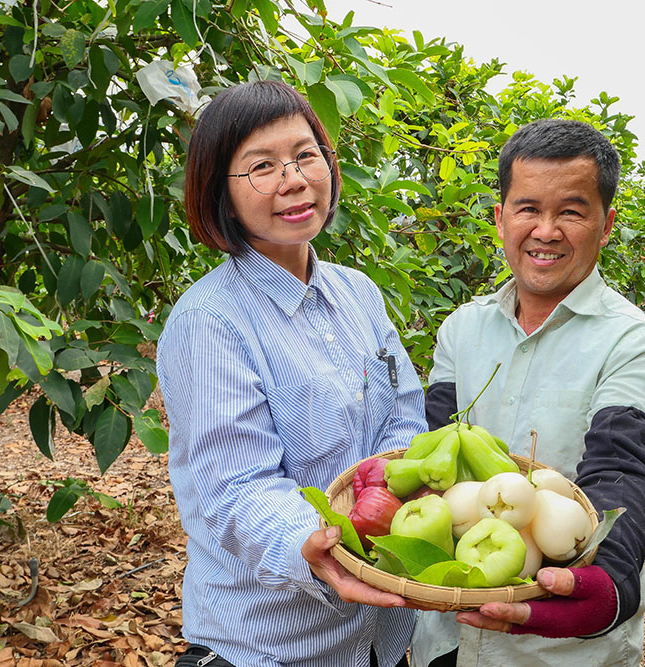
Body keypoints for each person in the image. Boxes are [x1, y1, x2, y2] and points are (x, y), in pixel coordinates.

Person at [155, 80, 426, 667]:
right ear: (221, 195)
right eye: (262, 166)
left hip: (380, 637)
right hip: (272, 645)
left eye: (306, 155)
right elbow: (236, 486)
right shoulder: (210, 322)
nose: (294, 179)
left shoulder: (359, 293)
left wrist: (393, 506)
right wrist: (322, 544)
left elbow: (403, 417)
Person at [411, 119, 645, 666]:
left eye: (572, 212)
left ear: (606, 225)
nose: (546, 231)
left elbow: (622, 467)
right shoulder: (461, 329)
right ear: (500, 218)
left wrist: (609, 582)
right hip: (447, 633)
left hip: (556, 651)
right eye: (528, 208)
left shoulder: (637, 344)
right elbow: (434, 444)